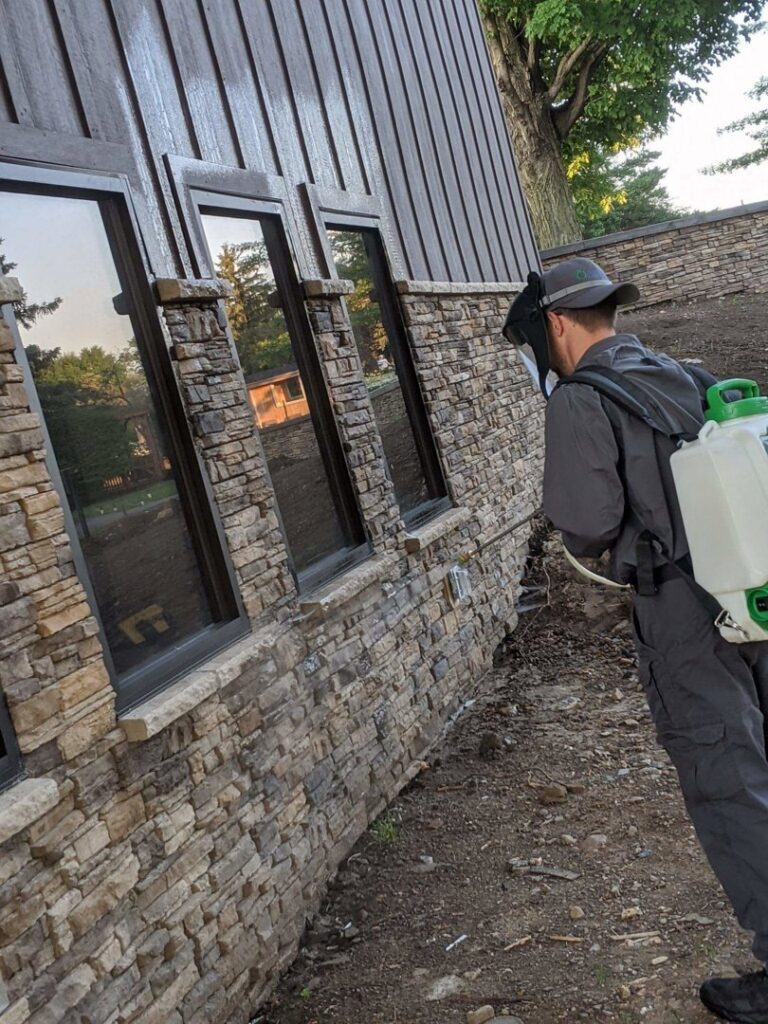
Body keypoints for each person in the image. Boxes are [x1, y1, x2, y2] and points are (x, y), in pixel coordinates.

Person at [505, 257, 768, 1023]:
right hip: (752, 591)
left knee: (732, 782)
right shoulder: (685, 372)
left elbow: (585, 523)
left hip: (686, 618)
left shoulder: (581, 400)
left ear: (554, 324)